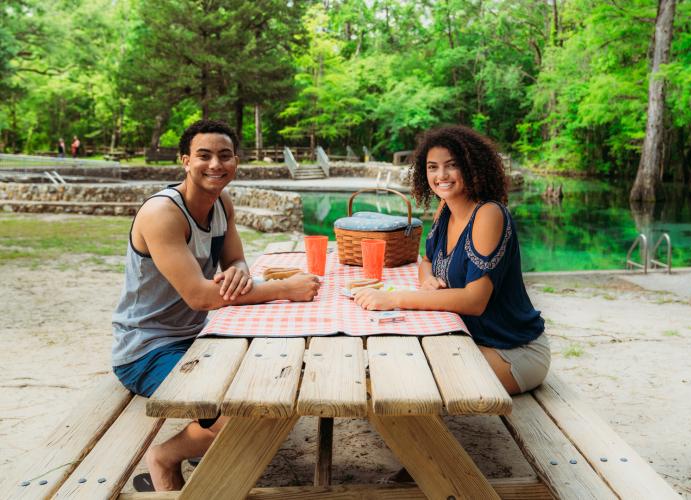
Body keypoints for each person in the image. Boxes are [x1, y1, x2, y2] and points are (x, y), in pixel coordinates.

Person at [111, 119, 320, 491]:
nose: (215, 165)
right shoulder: (163, 214)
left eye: (225, 156)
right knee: (246, 419)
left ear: (235, 162)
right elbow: (201, 296)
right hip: (146, 350)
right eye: (203, 156)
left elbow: (236, 260)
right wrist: (285, 287)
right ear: (185, 161)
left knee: (278, 386)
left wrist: (238, 274)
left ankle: (201, 444)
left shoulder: (222, 203)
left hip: (199, 337)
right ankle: (164, 458)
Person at [355, 125, 548, 393]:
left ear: (471, 166)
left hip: (512, 350)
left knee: (403, 375)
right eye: (432, 167)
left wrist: (394, 298)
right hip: (466, 337)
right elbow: (425, 261)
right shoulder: (445, 209)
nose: (441, 175)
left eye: (451, 165)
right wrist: (429, 280)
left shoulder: (488, 214)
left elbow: (474, 301)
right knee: (387, 358)